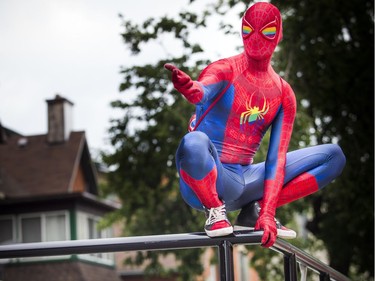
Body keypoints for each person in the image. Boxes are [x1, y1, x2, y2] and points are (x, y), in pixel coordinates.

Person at [164, 2, 346, 248]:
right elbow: (203, 89)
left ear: (279, 34)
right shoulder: (226, 69)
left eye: (267, 32)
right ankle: (215, 211)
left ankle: (254, 210)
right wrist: (191, 89)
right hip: (206, 178)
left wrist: (268, 212)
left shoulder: (283, 93)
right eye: (249, 31)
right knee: (193, 142)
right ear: (242, 32)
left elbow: (277, 159)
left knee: (333, 157)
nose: (257, 39)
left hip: (245, 180)